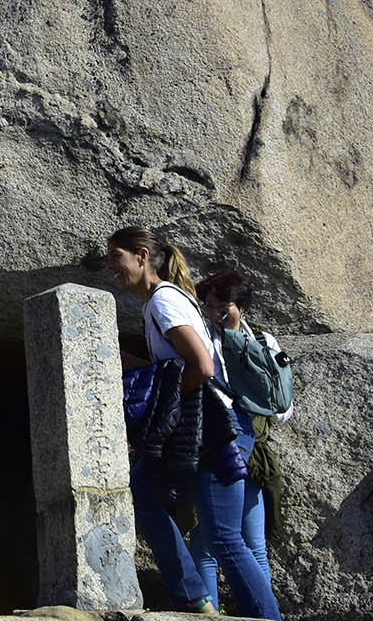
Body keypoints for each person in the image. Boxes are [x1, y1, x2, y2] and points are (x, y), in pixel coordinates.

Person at [106, 227, 281, 619]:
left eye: (115, 255)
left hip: (213, 426)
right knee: (149, 494)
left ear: (141, 255)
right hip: (210, 424)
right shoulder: (165, 300)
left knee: (224, 539)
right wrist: (134, 365)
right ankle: (196, 599)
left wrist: (163, 405)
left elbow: (201, 367)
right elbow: (181, 363)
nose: (109, 266)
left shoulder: (163, 302)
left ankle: (214, 603)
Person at [194, 270, 284, 608]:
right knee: (206, 543)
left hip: (246, 450)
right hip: (219, 440)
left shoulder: (263, 342)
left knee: (245, 543)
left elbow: (280, 405)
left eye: (222, 306)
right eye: (209, 305)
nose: (214, 312)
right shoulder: (203, 335)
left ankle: (264, 613)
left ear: (241, 306)